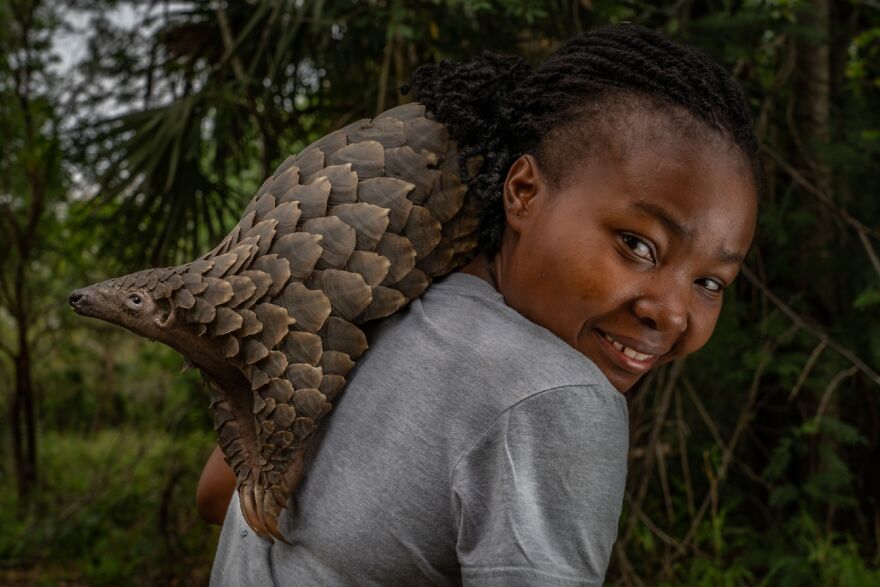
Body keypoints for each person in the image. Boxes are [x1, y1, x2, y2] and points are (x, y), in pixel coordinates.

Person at [201, 23, 759, 585]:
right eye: (638, 246)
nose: (672, 313)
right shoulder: (559, 398)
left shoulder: (375, 307)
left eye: (711, 283)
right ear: (523, 192)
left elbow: (217, 495)